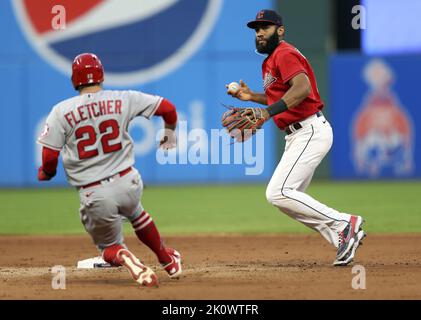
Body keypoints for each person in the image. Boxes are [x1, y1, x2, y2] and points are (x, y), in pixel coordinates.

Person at [227, 10, 366, 266]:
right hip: (297, 135)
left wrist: (266, 112)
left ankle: (345, 223)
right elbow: (283, 94)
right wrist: (253, 97)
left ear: (280, 30)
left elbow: (301, 89)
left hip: (309, 130)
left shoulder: (284, 53)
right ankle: (342, 237)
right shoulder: (269, 61)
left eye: (265, 27)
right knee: (289, 201)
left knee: (277, 192)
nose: (259, 32)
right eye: (256, 28)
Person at [37, 53, 182, 286]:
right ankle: (167, 260)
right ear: (101, 75)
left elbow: (50, 155)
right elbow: (168, 108)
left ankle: (125, 256)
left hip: (94, 192)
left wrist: (47, 173)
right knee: (137, 213)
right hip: (128, 181)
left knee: (109, 247)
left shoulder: (61, 111)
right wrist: (169, 135)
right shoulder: (123, 98)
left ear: (75, 79)